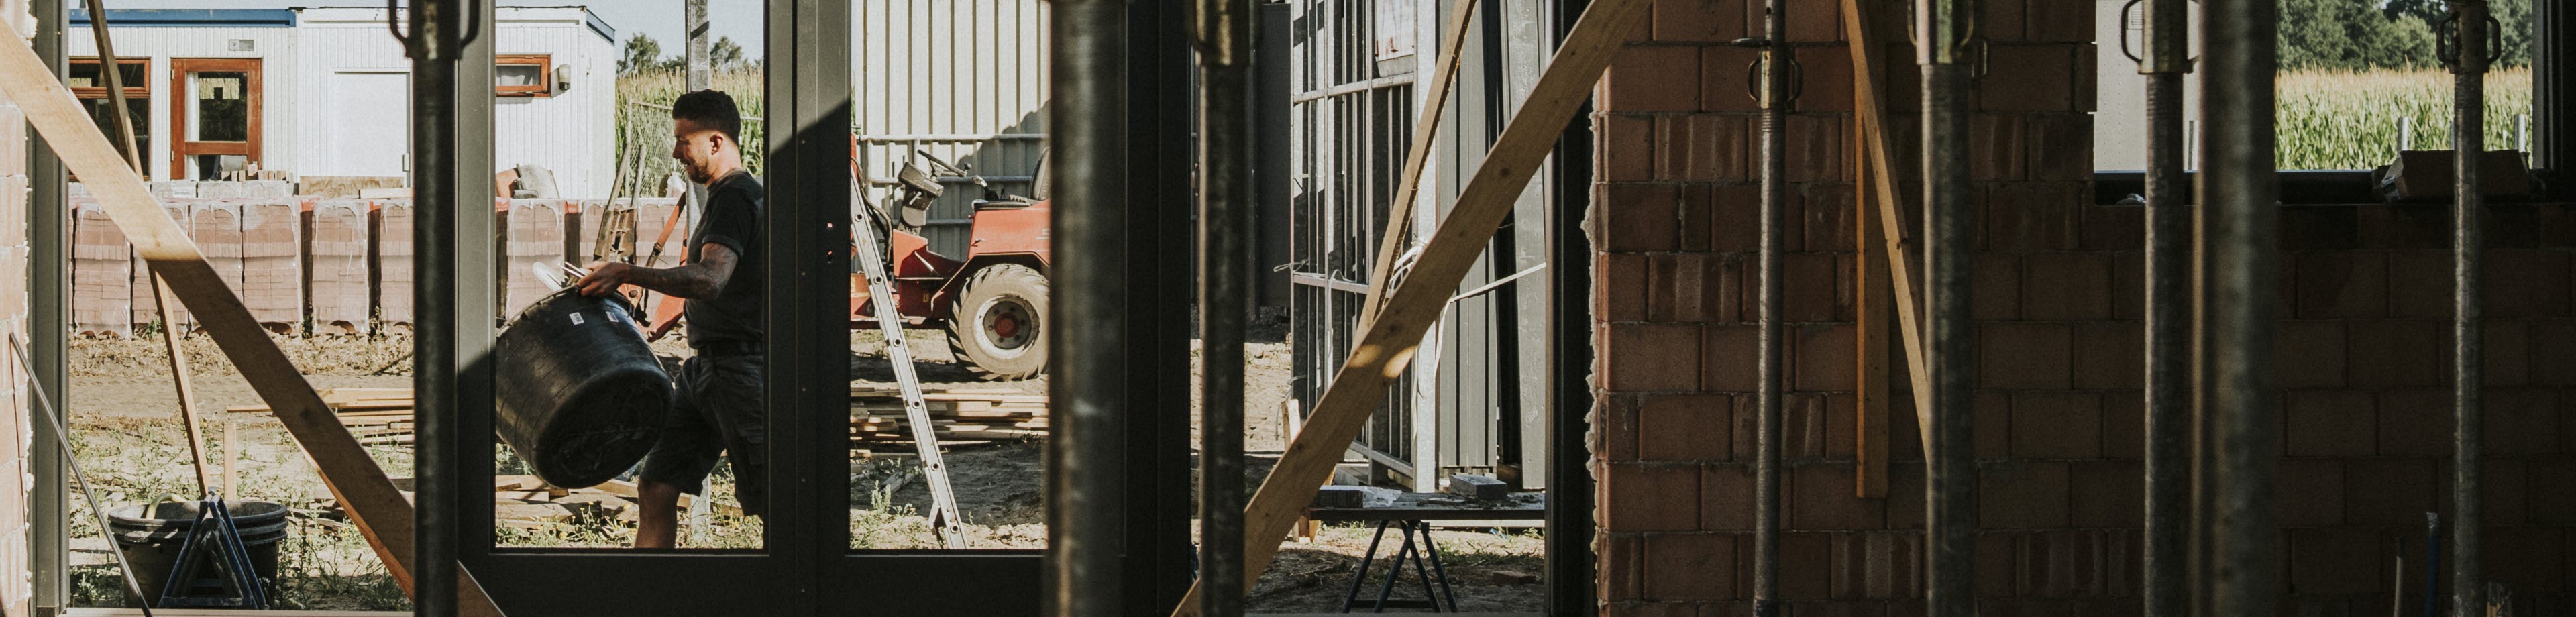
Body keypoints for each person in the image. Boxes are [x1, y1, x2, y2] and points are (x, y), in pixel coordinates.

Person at [575, 89, 767, 548]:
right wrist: (663, 323)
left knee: (771, 498)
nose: (676, 151)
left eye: (684, 140)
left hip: (739, 373)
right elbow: (724, 285)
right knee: (657, 486)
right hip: (704, 371)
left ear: (716, 142)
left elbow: (711, 278)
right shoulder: (726, 197)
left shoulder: (736, 198)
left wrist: (625, 272)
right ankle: (651, 596)